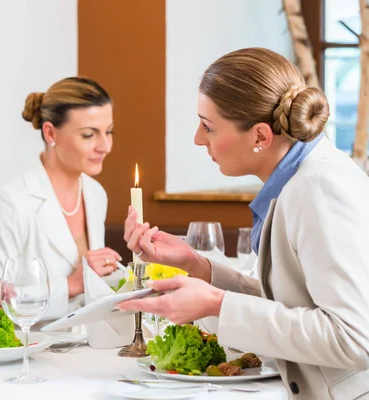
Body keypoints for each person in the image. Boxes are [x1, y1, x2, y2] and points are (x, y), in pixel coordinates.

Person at [119, 48, 369, 399]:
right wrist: (197, 266)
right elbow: (293, 305)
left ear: (260, 137)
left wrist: (218, 304)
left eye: (208, 126)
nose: (198, 138)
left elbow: (355, 339)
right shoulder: (301, 179)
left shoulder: (318, 189)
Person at [0, 77, 123, 320]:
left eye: (109, 132)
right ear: (50, 133)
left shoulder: (95, 194)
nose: (105, 146)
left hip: (85, 347)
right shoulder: (11, 202)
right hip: (28, 350)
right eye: (89, 135)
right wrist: (70, 285)